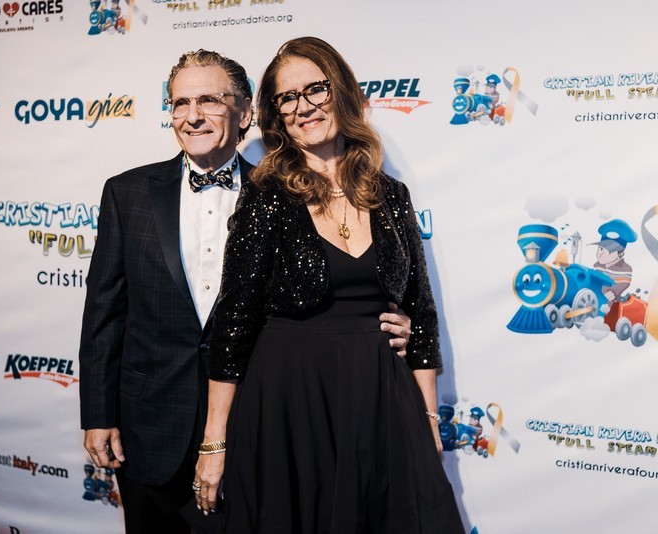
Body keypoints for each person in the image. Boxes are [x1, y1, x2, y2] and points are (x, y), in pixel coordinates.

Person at [79, 48, 416, 533]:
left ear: (244, 113)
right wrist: (97, 414)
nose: (192, 116)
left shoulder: (288, 192)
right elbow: (104, 314)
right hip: (149, 426)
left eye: (209, 101)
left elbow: (337, 286)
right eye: (180, 103)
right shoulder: (126, 193)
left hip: (255, 422)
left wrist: (390, 322)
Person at [194, 37, 463, 532]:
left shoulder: (391, 195)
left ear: (341, 91)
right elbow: (233, 323)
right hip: (291, 402)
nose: (304, 107)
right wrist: (215, 442)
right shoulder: (266, 196)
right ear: (277, 115)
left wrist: (427, 418)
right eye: (287, 97)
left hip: (381, 400)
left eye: (315, 89)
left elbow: (421, 313)